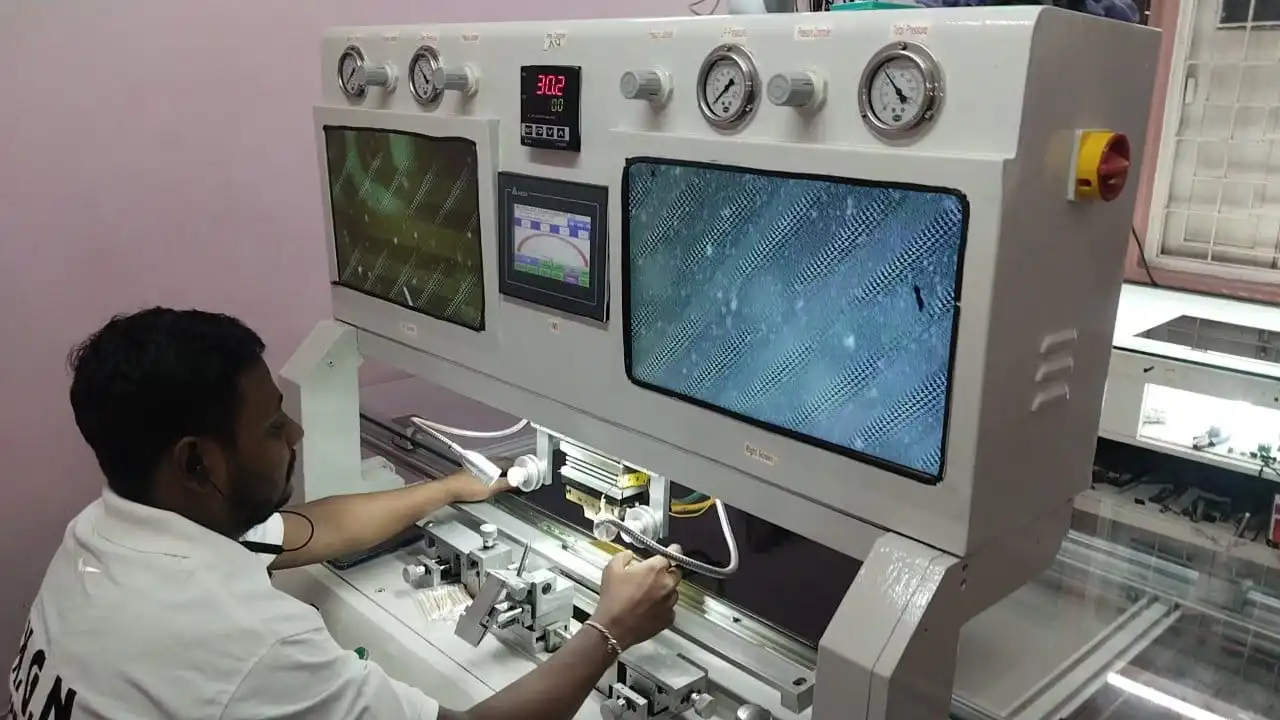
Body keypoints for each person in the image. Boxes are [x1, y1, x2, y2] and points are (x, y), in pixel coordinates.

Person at [8, 307, 681, 720]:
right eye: (273, 427)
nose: (296, 434)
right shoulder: (250, 645)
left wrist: (446, 490)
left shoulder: (101, 538)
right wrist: (611, 630)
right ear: (196, 463)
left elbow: (314, 530)